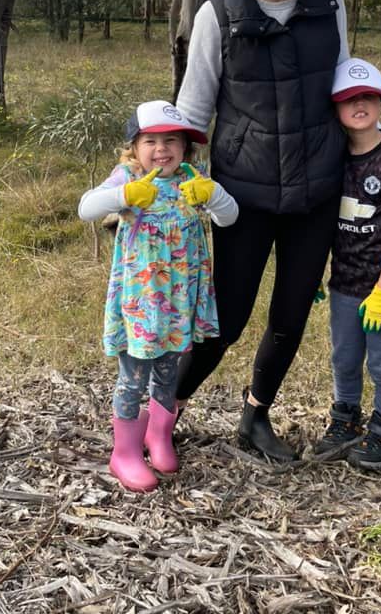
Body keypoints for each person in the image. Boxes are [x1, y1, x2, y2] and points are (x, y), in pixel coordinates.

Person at [175, 0, 350, 462]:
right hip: (241, 198)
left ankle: (255, 416)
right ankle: (163, 411)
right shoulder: (217, 14)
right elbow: (192, 113)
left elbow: (345, 91)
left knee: (290, 315)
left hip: (316, 192)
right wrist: (160, 184)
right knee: (224, 319)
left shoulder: (330, 3)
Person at [78, 100, 238, 492]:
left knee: (168, 373)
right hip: (141, 302)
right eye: (150, 141)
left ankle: (159, 435)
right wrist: (125, 195)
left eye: (171, 141)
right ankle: (124, 452)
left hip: (179, 300)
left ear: (185, 147)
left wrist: (212, 194)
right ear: (134, 147)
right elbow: (86, 208)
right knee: (133, 378)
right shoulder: (128, 177)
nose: (161, 149)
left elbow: (229, 216)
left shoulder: (192, 178)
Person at [315, 57, 381, 470]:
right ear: (336, 107)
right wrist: (312, 274)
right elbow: (320, 221)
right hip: (345, 281)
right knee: (344, 357)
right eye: (349, 99)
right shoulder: (332, 157)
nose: (359, 105)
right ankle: (345, 418)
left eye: (368, 98)